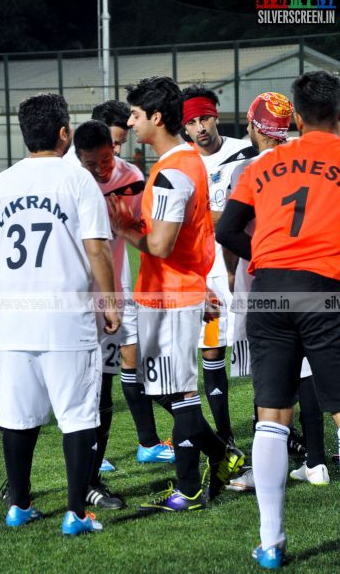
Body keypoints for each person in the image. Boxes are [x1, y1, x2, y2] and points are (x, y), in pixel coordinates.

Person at [0, 94, 120, 535]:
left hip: (17, 317)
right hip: (66, 317)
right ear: (64, 133)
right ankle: (76, 513)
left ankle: (19, 504)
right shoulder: (77, 180)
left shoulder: (1, 182)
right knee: (77, 415)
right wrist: (110, 302)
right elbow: (97, 249)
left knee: (17, 415)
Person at [216, 70, 340, 569]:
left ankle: (270, 543)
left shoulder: (263, 164)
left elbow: (228, 229)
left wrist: (266, 259)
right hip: (323, 290)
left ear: (298, 114)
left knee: (271, 415)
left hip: (268, 292)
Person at [108, 76, 244, 511]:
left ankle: (194, 482)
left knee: (179, 394)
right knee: (169, 391)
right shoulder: (184, 163)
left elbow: (162, 244)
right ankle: (217, 460)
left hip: (169, 296)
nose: (130, 122)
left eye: (135, 114)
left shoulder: (172, 173)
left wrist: (121, 226)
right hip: (174, 291)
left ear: (156, 118)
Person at [223, 92, 328, 493]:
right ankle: (316, 461)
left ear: (253, 125)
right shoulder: (309, 159)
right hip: (313, 278)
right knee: (309, 372)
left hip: (264, 281)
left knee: (267, 385)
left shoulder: (248, 168)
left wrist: (245, 268)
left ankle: (267, 472)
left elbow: (229, 232)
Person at [74, 120, 175, 509]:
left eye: (106, 158)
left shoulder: (131, 177)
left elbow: (143, 231)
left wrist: (126, 224)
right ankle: (19, 481)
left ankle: (94, 476)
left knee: (105, 384)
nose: (100, 168)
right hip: (74, 299)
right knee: (68, 389)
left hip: (113, 296)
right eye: (91, 162)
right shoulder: (68, 179)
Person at [181, 85, 258, 445]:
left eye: (206, 118)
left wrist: (206, 217)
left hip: (244, 268)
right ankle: (225, 435)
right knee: (211, 349)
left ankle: (272, 428)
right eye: (193, 122)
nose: (201, 128)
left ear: (216, 116)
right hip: (205, 275)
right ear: (184, 127)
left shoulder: (245, 151)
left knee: (259, 349)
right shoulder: (181, 160)